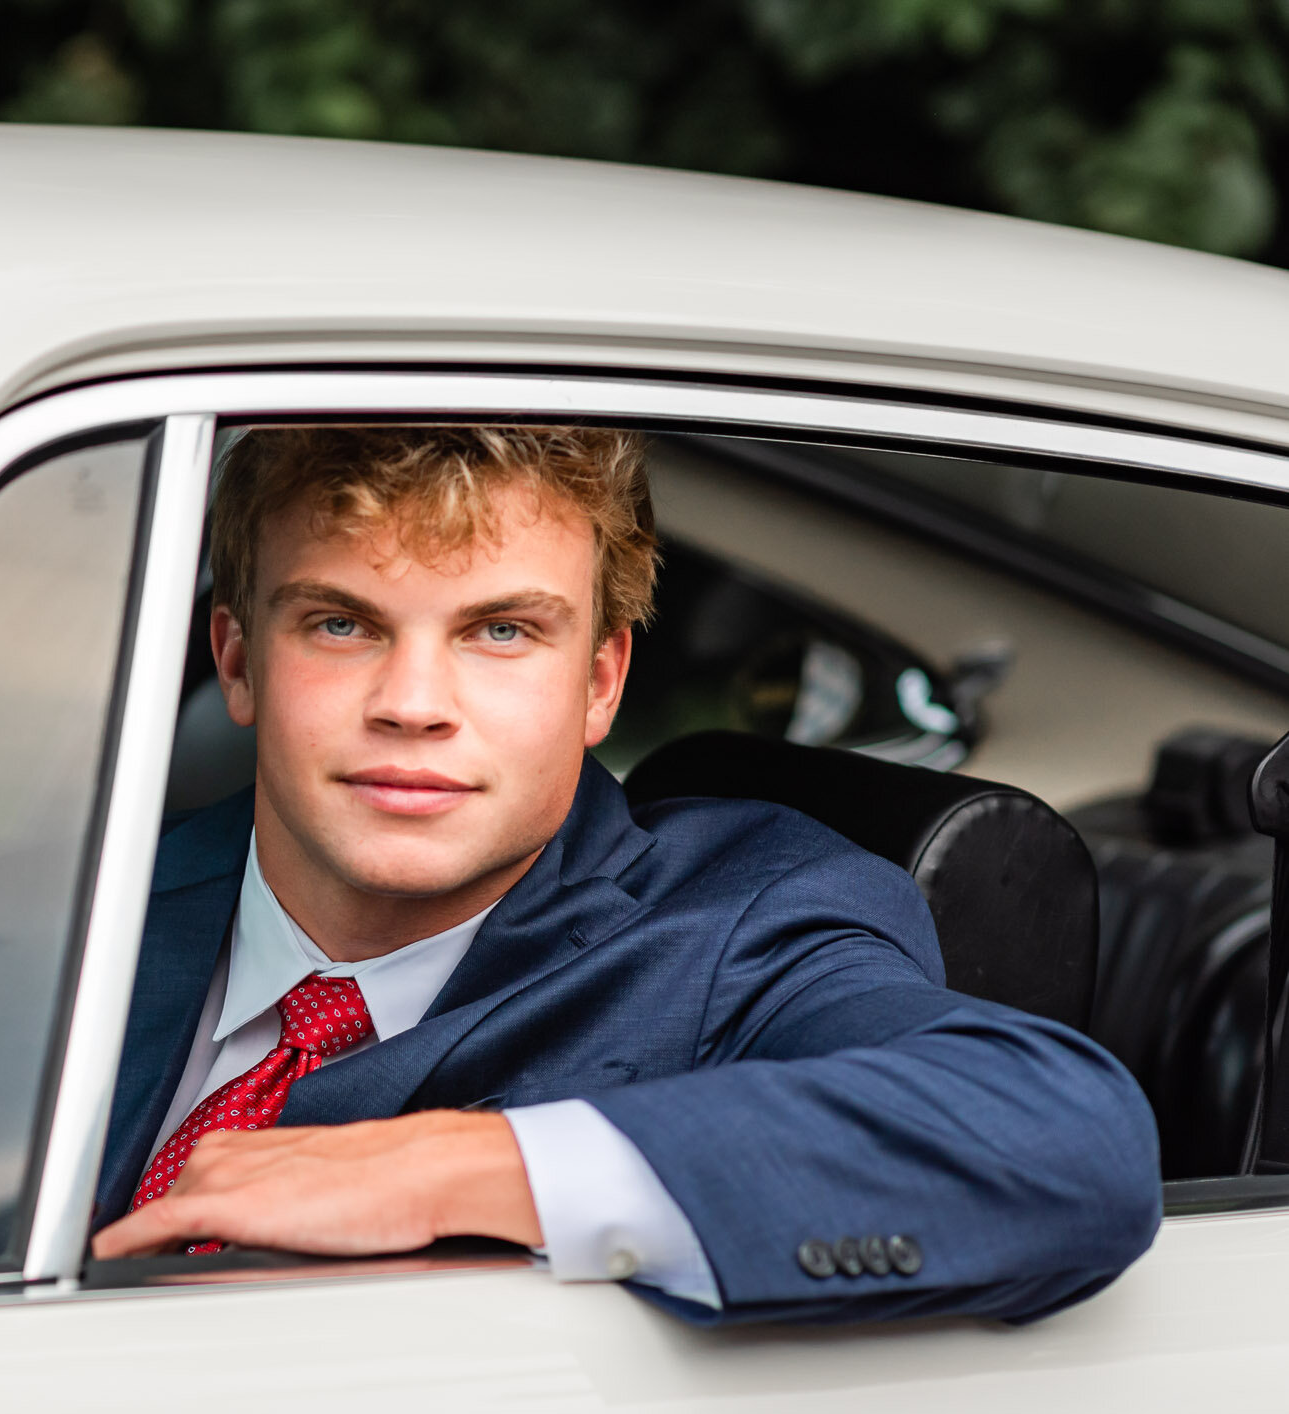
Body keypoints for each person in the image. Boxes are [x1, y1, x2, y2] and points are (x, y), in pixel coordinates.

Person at [81, 424, 1160, 1324]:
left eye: (500, 630)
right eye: (340, 623)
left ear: (599, 684)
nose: (412, 703)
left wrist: (456, 1170)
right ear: (236, 661)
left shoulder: (739, 924)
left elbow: (1062, 1142)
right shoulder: (70, 905)